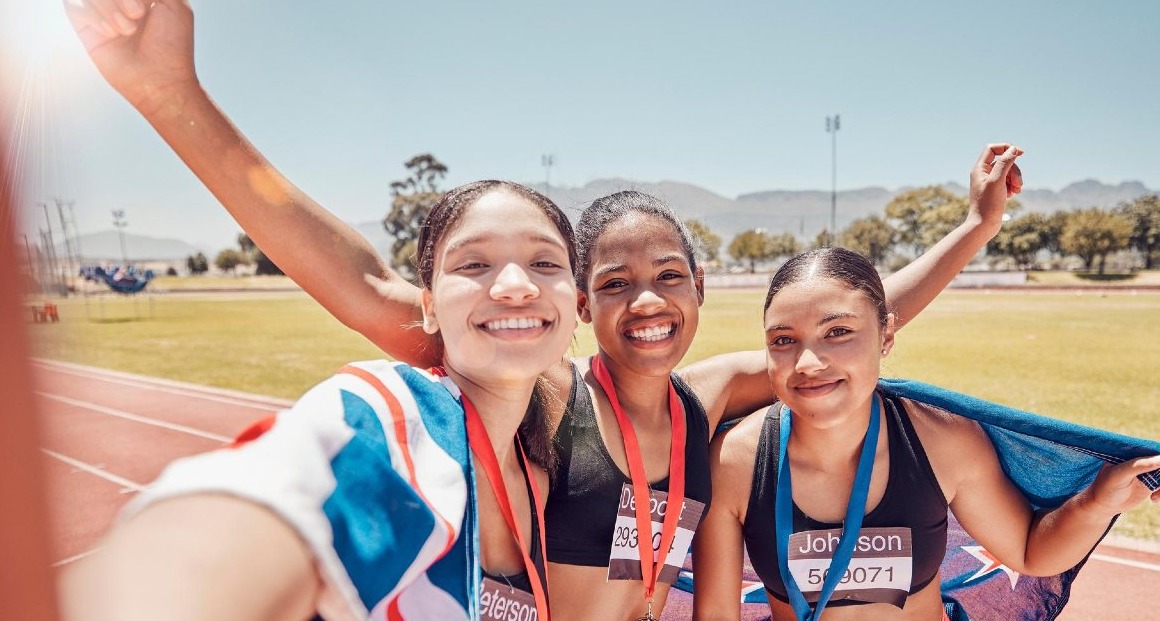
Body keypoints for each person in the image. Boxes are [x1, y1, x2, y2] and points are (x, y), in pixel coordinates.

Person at [63, 2, 1023, 619]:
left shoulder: (709, 398)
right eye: (612, 282)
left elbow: (852, 318)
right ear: (580, 310)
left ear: (699, 290)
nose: (646, 301)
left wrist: (976, 230)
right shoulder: (554, 396)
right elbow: (377, 293)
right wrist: (173, 95)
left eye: (669, 277)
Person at [60, 180, 580, 621]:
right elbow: (240, 525)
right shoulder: (395, 416)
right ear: (428, 309)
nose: (516, 285)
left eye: (543, 261)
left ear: (576, 302)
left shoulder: (548, 454)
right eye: (473, 264)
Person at [691, 247, 1160, 621]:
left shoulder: (942, 440)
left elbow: (1030, 552)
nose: (809, 363)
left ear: (886, 336)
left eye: (838, 331)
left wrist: (1097, 502)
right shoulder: (736, 459)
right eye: (783, 340)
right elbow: (714, 613)